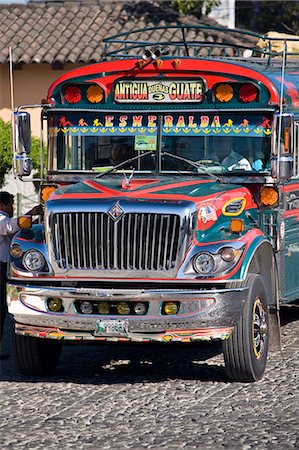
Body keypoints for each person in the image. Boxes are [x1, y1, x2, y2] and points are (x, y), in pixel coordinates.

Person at [0, 191, 41, 353]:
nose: (12, 208)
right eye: (11, 204)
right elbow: (8, 226)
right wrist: (31, 214)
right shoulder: (1, 218)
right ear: (2, 205)